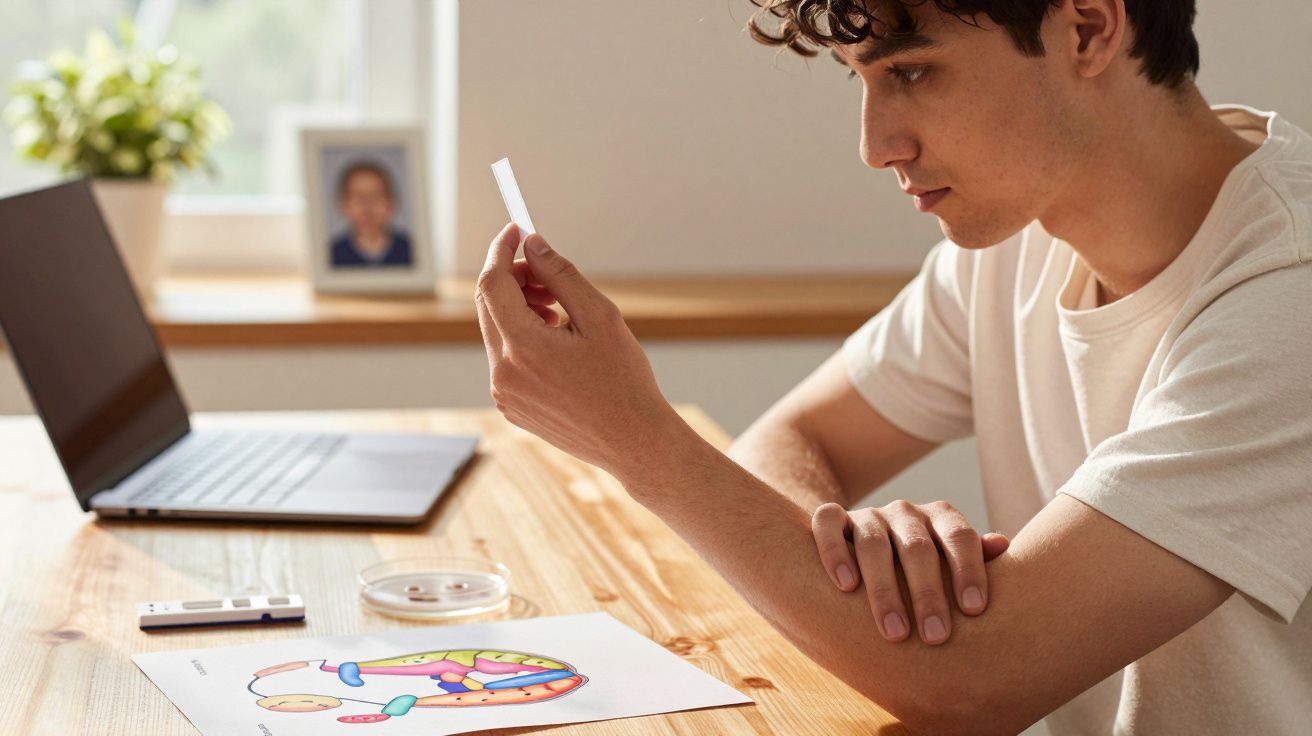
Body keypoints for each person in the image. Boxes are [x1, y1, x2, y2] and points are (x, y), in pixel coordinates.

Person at [473, 1, 1312, 734]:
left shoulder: (1289, 290)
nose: (875, 146)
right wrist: (856, 552)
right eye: (862, 79)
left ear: (1088, 28)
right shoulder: (1019, 231)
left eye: (910, 72)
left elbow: (974, 683)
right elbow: (789, 440)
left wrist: (637, 441)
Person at [330, 160, 413, 268]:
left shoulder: (412, 250)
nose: (367, 205)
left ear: (392, 203)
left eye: (376, 195)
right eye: (359, 197)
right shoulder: (331, 255)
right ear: (343, 205)